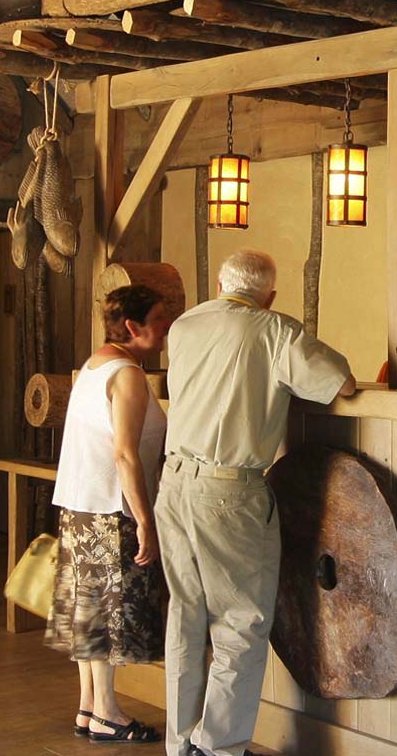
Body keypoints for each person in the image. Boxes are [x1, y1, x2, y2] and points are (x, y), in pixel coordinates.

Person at [158, 250, 357, 756]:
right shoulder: (274, 331)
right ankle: (217, 747)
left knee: (184, 617)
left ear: (222, 284)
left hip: (174, 482)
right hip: (229, 490)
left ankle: (180, 743)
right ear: (269, 294)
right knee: (241, 623)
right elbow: (342, 382)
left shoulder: (184, 325)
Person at [49, 285, 177, 744]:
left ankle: (90, 706)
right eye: (159, 319)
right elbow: (125, 454)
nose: (165, 329)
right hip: (110, 506)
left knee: (90, 606)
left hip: (82, 505)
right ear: (132, 326)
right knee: (107, 608)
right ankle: (106, 711)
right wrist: (145, 520)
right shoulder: (125, 374)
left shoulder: (93, 366)